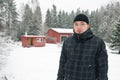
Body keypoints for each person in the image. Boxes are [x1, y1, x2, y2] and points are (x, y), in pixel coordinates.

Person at [57, 14, 108, 80]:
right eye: (76, 24)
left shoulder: (98, 43)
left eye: (82, 24)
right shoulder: (67, 42)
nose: (79, 27)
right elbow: (62, 65)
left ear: (88, 26)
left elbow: (102, 69)